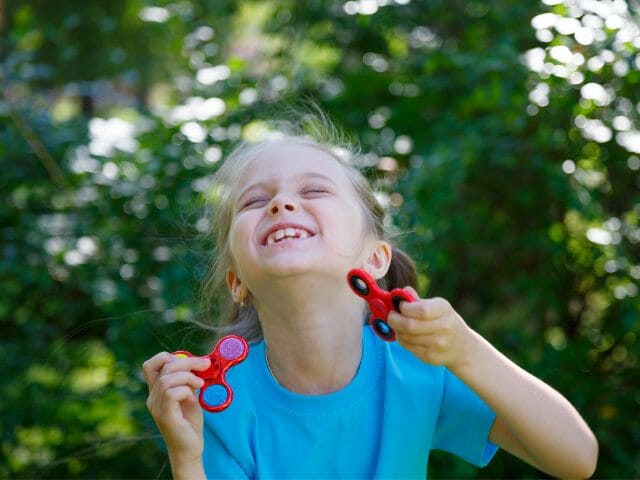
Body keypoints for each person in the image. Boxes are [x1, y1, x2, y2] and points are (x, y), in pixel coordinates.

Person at [143, 115, 598, 479]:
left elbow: (576, 459)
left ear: (376, 259)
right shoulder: (220, 406)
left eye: (314, 190)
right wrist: (187, 459)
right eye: (253, 201)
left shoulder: (420, 371)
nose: (281, 204)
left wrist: (467, 352)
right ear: (236, 281)